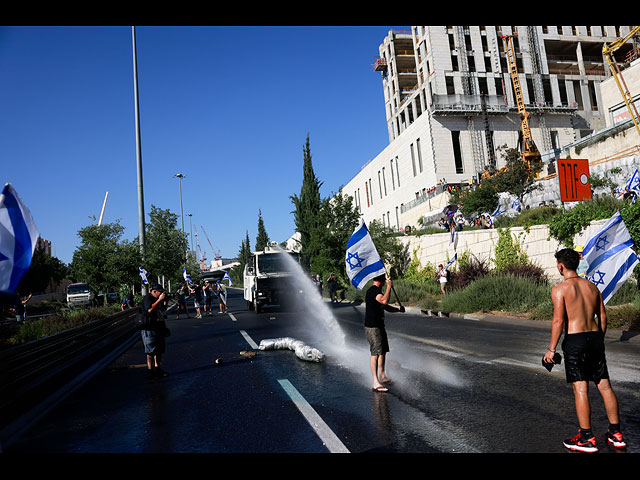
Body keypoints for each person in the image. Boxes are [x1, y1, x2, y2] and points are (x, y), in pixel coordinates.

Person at [544, 248, 625, 452]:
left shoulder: (560, 289)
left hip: (576, 340)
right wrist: (599, 340)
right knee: (604, 385)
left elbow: (558, 321)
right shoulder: (592, 287)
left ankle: (587, 438)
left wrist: (551, 350)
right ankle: (616, 434)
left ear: (561, 266)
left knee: (581, 388)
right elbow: (603, 317)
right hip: (595, 337)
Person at [364, 273, 405, 393]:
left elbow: (385, 307)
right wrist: (389, 286)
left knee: (382, 351)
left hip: (379, 326)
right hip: (373, 328)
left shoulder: (377, 291)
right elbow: (384, 301)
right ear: (381, 281)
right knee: (375, 353)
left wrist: (398, 310)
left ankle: (382, 375)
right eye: (384, 280)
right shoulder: (373, 291)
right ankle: (375, 382)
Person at [140, 284, 170, 379]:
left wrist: (165, 301)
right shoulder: (147, 298)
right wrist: (159, 300)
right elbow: (149, 310)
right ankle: (149, 370)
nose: (161, 294)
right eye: (160, 292)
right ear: (154, 291)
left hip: (159, 326)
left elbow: (162, 310)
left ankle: (158, 369)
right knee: (150, 350)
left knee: (159, 349)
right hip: (149, 328)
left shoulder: (158, 298)